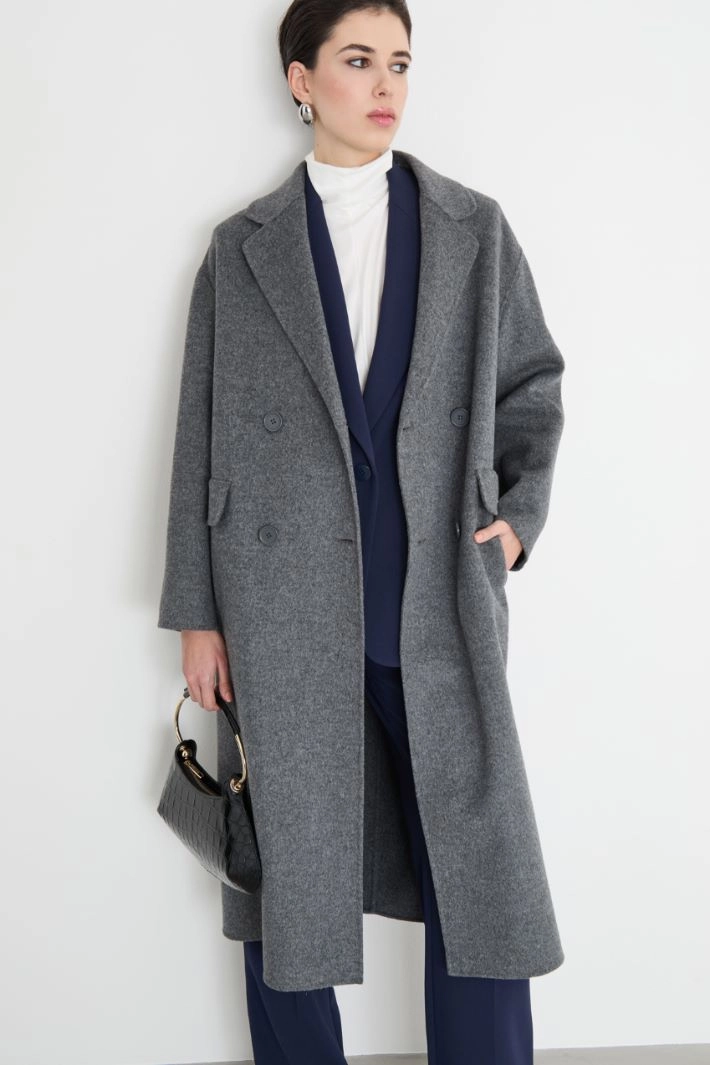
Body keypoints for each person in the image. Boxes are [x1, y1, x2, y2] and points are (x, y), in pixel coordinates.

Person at [158, 1, 566, 1061]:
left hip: (436, 602)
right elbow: (199, 439)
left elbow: (531, 386)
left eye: (399, 62)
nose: (386, 85)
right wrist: (197, 616)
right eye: (357, 60)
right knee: (288, 871)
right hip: (281, 610)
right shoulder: (243, 251)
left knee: (478, 872)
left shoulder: (473, 230)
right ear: (301, 81)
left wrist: (516, 524)